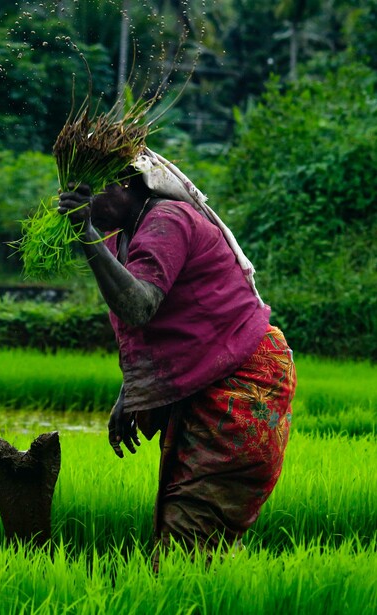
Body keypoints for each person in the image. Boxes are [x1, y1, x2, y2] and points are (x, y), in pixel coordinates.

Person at [58, 148, 296, 562]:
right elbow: (166, 330)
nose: (81, 199)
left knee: (189, 537)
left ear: (124, 183)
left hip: (242, 382)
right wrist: (130, 392)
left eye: (89, 190)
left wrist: (86, 235)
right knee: (194, 537)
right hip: (211, 375)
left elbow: (140, 306)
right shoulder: (124, 235)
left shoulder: (167, 220)